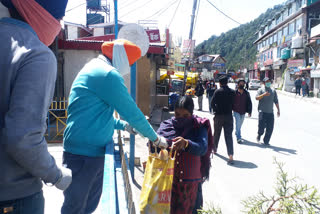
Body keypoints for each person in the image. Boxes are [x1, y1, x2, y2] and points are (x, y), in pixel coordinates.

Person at [62, 39, 168, 214]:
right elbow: (131, 111)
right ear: (121, 57)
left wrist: (124, 126)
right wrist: (155, 138)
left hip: (86, 151)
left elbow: (94, 115)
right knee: (76, 208)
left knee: (83, 206)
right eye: (130, 63)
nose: (130, 67)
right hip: (84, 155)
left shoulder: (95, 67)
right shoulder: (108, 74)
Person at [0, 0, 72, 213]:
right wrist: (56, 175)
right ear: (44, 14)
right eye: (58, 18)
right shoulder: (36, 54)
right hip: (14, 197)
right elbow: (23, 139)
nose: (59, 25)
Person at [156, 96, 214, 214]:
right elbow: (156, 145)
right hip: (168, 181)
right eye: (177, 115)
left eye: (185, 116)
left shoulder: (199, 126)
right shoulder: (166, 125)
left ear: (192, 114)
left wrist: (186, 143)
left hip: (189, 185)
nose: (180, 118)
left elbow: (202, 148)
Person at [211, 75, 236, 164]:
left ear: (220, 83)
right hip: (229, 116)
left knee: (217, 133)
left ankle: (214, 149)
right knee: (228, 136)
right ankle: (231, 155)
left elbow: (212, 103)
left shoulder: (217, 91)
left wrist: (215, 110)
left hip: (219, 116)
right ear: (227, 82)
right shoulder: (233, 92)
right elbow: (235, 104)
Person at [256, 77, 280, 146]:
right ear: (264, 83)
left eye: (269, 81)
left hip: (270, 112)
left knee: (270, 128)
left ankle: (266, 141)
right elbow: (256, 98)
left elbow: (276, 101)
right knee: (261, 127)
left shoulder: (273, 91)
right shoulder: (260, 90)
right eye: (266, 82)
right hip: (262, 112)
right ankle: (259, 134)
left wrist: (278, 110)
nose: (268, 83)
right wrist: (263, 94)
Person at [233, 79, 252, 144]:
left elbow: (249, 102)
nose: (242, 85)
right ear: (238, 85)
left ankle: (237, 131)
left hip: (243, 111)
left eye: (243, 84)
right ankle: (239, 137)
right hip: (236, 111)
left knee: (240, 124)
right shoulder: (234, 93)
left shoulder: (246, 93)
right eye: (240, 83)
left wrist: (249, 111)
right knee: (238, 123)